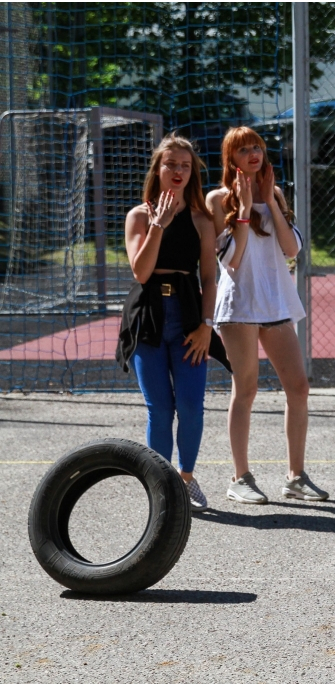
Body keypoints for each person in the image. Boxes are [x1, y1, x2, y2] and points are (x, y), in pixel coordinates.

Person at [206, 126, 327, 504]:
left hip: (275, 304)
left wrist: (272, 202)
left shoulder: (274, 193)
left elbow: (292, 250)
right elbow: (233, 259)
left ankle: (295, 477)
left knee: (299, 388)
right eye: (244, 150)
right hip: (239, 305)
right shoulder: (217, 200)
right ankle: (239, 477)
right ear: (231, 159)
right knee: (246, 389)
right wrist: (242, 209)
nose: (253, 154)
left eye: (257, 147)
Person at [116, 134, 231, 513]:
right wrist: (158, 225)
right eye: (171, 164)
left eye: (185, 165)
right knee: (159, 409)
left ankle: (184, 477)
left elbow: (210, 279)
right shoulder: (138, 215)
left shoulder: (200, 219)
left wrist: (205, 325)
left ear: (193, 171)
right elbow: (141, 272)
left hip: (188, 317)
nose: (178, 171)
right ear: (158, 169)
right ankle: (160, 484)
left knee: (192, 406)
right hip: (147, 318)